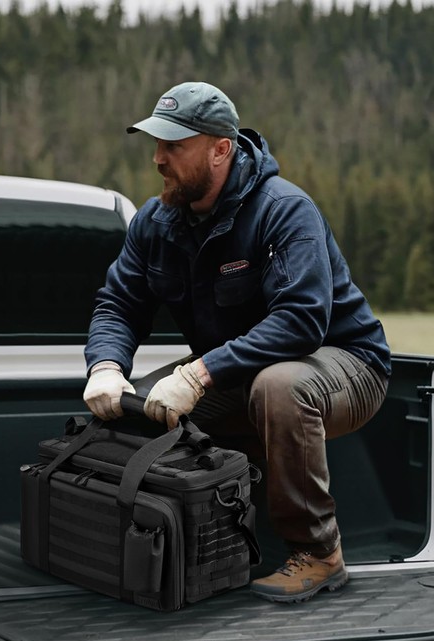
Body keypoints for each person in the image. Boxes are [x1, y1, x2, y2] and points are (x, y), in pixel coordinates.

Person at [83, 81, 391, 603]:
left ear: (221, 148)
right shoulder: (155, 223)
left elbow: (300, 322)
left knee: (280, 387)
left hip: (344, 366)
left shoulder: (284, 210)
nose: (158, 158)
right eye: (156, 144)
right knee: (137, 411)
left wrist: (198, 374)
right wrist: (107, 365)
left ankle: (319, 554)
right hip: (238, 369)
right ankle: (190, 547)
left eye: (174, 146)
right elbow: (119, 304)